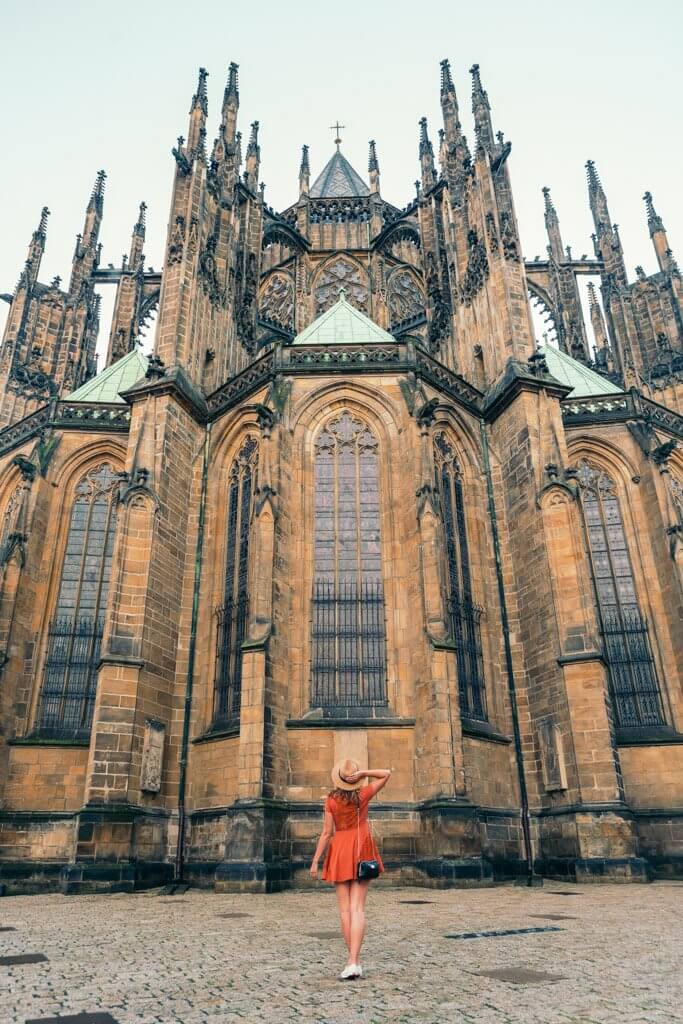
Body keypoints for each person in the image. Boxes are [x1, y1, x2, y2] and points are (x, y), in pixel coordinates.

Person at [310, 759, 391, 980]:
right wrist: (363, 772)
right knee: (358, 909)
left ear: (338, 779)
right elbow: (386, 773)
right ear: (354, 779)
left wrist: (315, 860)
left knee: (345, 911)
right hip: (361, 847)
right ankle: (354, 960)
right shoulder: (363, 795)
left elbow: (327, 833)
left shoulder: (331, 800)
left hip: (340, 850)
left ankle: (352, 961)